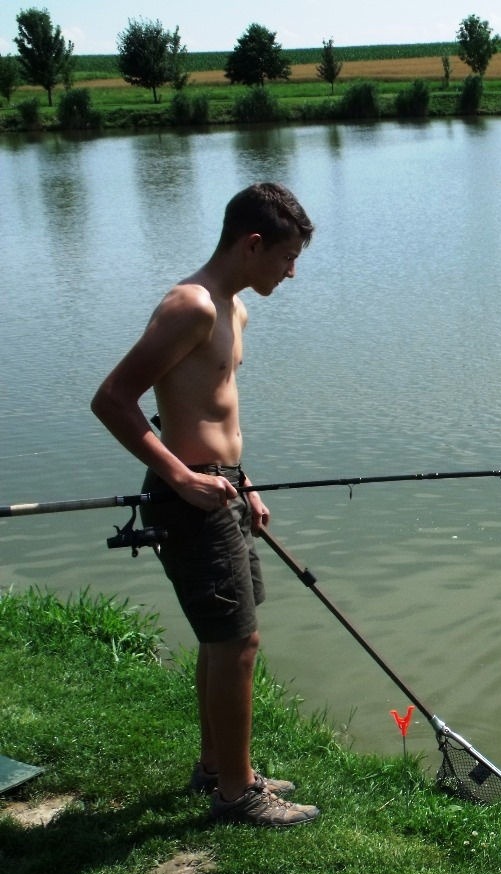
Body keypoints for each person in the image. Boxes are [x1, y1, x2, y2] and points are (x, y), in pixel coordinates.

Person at [92, 182, 319, 827]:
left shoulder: (233, 310)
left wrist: (242, 482)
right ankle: (237, 796)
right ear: (253, 244)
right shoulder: (189, 306)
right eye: (286, 257)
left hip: (221, 487)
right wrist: (183, 478)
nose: (291, 272)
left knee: (225, 638)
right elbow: (113, 399)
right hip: (189, 495)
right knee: (237, 640)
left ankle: (219, 768)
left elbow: (205, 411)